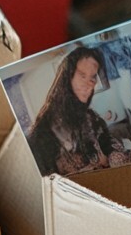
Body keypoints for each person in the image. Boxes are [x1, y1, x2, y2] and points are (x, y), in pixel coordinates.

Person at [28, 45, 110, 176]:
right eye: (82, 76)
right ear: (67, 77)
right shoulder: (43, 134)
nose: (89, 84)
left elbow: (107, 145)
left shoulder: (92, 118)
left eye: (92, 77)